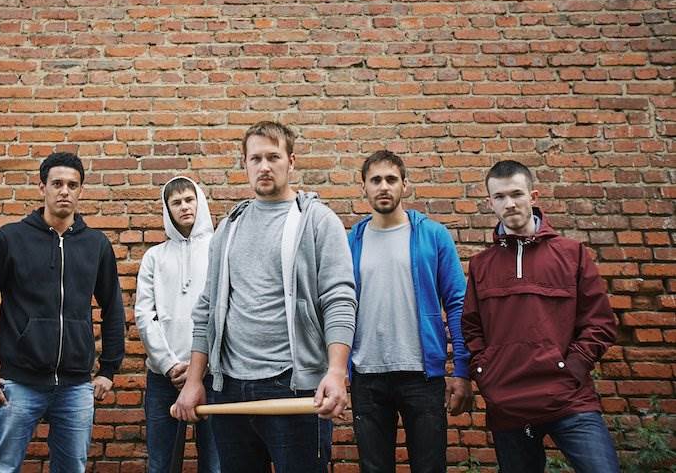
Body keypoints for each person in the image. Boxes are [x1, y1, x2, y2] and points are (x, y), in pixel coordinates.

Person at [172, 121, 357, 473]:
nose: (264, 166)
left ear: (292, 161)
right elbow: (207, 310)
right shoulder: (229, 227)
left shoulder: (317, 221)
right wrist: (196, 380)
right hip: (230, 389)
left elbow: (339, 299)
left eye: (273, 157)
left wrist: (335, 371)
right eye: (255, 158)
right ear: (245, 164)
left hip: (294, 387)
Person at [0, 152, 125, 473]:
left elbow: (113, 309)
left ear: (81, 191)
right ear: (41, 188)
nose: (65, 191)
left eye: (73, 185)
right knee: (2, 468)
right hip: (19, 384)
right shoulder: (10, 238)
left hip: (76, 388)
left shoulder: (96, 244)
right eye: (57, 183)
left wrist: (108, 369)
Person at [462, 160, 619, 473]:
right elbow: (471, 327)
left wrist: (571, 368)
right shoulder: (482, 264)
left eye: (516, 194)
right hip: (510, 404)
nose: (510, 203)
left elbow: (599, 323)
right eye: (500, 197)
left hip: (570, 401)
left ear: (533, 196)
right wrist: (487, 373)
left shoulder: (572, 253)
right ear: (489, 203)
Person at [347, 150, 471, 473]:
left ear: (405, 184)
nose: (383, 187)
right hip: (366, 375)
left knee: (429, 468)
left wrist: (461, 370)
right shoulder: (350, 242)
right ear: (363, 187)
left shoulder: (433, 235)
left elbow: (457, 303)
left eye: (391, 179)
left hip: (422, 374)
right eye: (375, 180)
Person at [135, 176, 220, 473]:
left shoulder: (218, 249)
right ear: (167, 209)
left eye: (189, 199)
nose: (184, 207)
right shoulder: (154, 257)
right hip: (163, 377)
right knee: (161, 463)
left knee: (216, 462)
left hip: (212, 374)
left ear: (200, 202)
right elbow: (145, 315)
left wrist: (201, 365)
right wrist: (170, 364)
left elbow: (221, 311)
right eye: (176, 202)